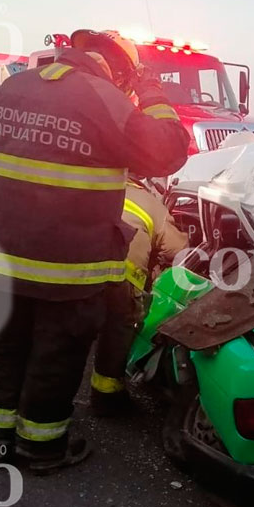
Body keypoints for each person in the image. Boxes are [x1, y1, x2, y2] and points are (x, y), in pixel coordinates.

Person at [0, 29, 189, 473]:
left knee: (8, 350)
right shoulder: (106, 99)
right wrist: (151, 91)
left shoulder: (14, 88)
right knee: (55, 356)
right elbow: (168, 151)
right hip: (68, 270)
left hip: (4, 261)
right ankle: (43, 448)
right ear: (120, 70)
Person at [90, 178, 189, 415]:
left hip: (78, 269)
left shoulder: (101, 185)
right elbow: (178, 250)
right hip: (121, 279)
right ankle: (107, 398)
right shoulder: (152, 204)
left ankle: (50, 398)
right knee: (116, 333)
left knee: (69, 334)